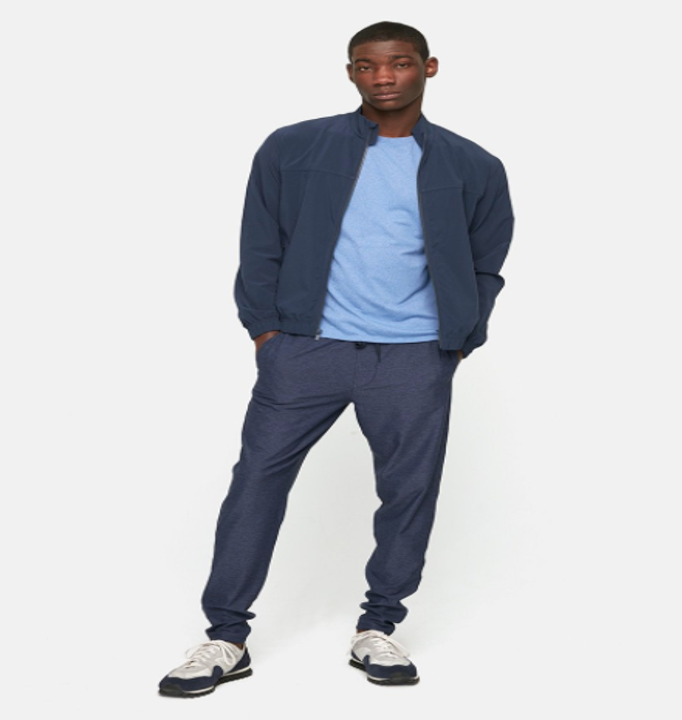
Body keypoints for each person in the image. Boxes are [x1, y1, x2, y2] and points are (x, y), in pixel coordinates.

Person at [158, 20, 514, 696]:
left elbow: (486, 259)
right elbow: (259, 240)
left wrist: (461, 336)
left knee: (409, 491)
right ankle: (225, 636)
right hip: (305, 350)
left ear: (429, 68)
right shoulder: (294, 147)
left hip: (414, 356)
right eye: (367, 65)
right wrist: (267, 333)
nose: (384, 77)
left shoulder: (473, 165)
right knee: (256, 483)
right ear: (351, 72)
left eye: (399, 63)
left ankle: (379, 626)